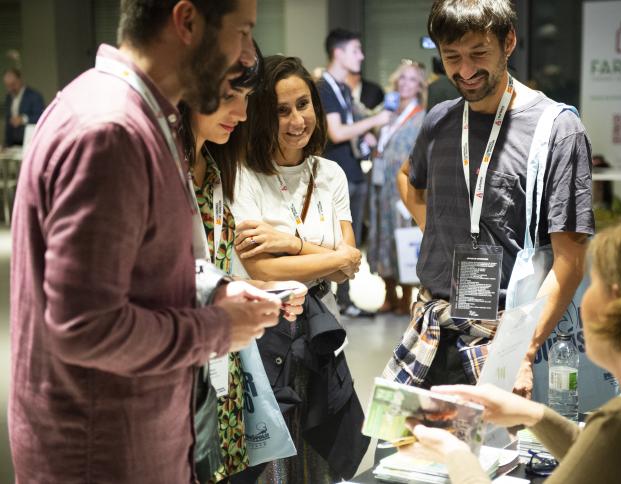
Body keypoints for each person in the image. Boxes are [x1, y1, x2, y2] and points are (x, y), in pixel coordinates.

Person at [8, 1, 288, 482]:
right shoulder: (110, 130)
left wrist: (214, 292)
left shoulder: (138, 115)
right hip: (105, 453)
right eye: (241, 32)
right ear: (186, 22)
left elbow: (143, 267)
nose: (246, 57)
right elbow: (84, 327)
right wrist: (217, 328)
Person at [405, 206, 621, 484]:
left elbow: (615, 443)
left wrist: (454, 452)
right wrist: (535, 415)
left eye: (595, 282)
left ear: (620, 304)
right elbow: (602, 458)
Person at [392, 0, 593, 396]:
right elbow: (408, 178)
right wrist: (437, 232)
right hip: (433, 328)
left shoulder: (558, 129)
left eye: (478, 53)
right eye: (452, 57)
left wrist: (521, 352)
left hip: (510, 338)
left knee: (506, 458)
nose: (465, 71)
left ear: (509, 42)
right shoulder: (441, 119)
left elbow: (571, 260)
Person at [230, 55, 368, 483]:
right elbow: (262, 269)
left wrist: (289, 244)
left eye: (304, 105)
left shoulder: (331, 175)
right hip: (266, 339)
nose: (296, 120)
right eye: (281, 110)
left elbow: (349, 264)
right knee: (273, 464)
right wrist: (332, 257)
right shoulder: (242, 176)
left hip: (321, 333)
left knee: (319, 459)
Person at [179, 51, 308, 482]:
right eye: (229, 96)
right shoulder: (163, 172)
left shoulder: (215, 168)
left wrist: (257, 292)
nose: (242, 112)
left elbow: (211, 273)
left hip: (226, 369)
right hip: (180, 368)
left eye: (247, 98)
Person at [318, 28, 392, 318]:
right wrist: (376, 121)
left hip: (353, 173)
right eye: (356, 50)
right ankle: (329, 301)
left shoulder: (344, 89)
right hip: (337, 175)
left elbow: (350, 129)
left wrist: (366, 137)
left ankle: (346, 300)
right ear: (338, 53)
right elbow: (335, 132)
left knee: (350, 240)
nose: (361, 56)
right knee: (332, 239)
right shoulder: (323, 87)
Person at [367, 60, 427, 315]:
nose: (405, 83)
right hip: (380, 186)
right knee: (380, 236)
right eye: (402, 78)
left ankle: (406, 296)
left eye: (412, 79)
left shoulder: (422, 116)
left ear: (419, 86)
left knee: (402, 238)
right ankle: (388, 293)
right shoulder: (386, 111)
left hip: (403, 187)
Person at [3, 67, 45, 146]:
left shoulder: (34, 96)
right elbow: (8, 122)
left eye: (13, 84)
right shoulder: (8, 98)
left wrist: (23, 119)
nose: (11, 89)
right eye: (8, 86)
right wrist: (6, 144)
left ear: (20, 80)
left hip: (29, 141)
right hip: (13, 143)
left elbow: (41, 117)